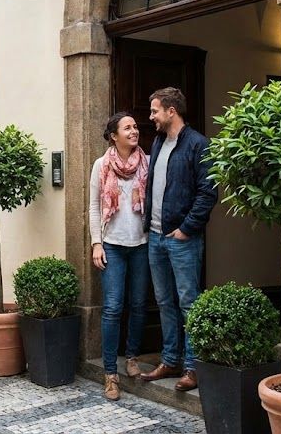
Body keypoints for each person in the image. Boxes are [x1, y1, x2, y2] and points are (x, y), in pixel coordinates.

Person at [139, 87, 217, 392]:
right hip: (156, 237)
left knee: (188, 302)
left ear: (172, 111)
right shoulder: (158, 142)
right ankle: (170, 360)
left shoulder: (199, 145)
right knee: (164, 302)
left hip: (181, 238)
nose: (151, 117)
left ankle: (192, 367)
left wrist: (187, 228)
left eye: (155, 111)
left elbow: (208, 192)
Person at [89, 112, 151, 401]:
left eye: (135, 126)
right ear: (114, 135)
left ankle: (133, 356)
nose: (134, 130)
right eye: (127, 128)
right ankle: (111, 374)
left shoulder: (148, 163)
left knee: (139, 305)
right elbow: (92, 208)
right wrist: (96, 243)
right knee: (113, 308)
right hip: (112, 244)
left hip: (141, 243)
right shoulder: (101, 166)